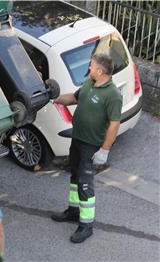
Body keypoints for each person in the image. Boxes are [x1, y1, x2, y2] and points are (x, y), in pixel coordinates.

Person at [51, 53, 122, 243]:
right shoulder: (89, 84)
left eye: (91, 66)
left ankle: (86, 226)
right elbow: (73, 98)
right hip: (77, 140)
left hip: (91, 146)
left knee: (84, 184)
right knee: (75, 177)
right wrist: (55, 98)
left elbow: (115, 124)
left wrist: (104, 150)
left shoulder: (113, 95)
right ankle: (73, 212)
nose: (89, 68)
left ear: (100, 71)